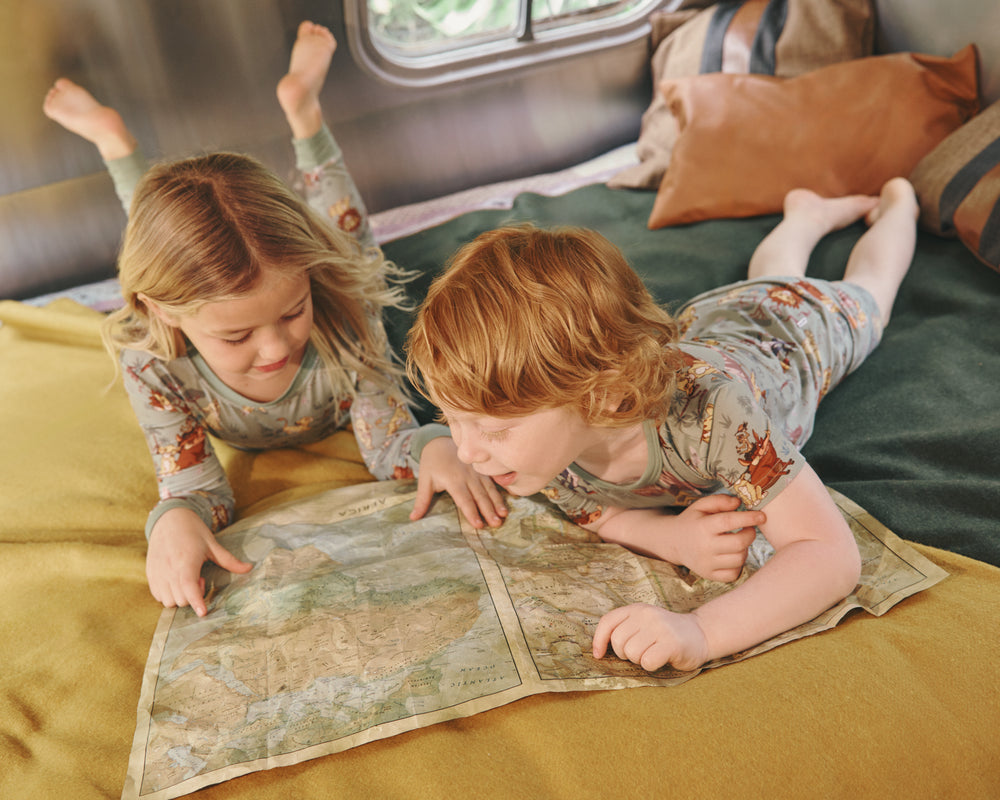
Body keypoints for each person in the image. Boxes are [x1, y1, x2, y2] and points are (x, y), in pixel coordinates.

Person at [43, 21, 507, 617]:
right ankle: (114, 143)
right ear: (165, 315)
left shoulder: (341, 313)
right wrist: (174, 518)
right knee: (161, 237)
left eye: (292, 312)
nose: (275, 348)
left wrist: (433, 445)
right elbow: (193, 486)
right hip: (183, 292)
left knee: (348, 235)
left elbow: (389, 440)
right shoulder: (151, 364)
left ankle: (305, 113)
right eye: (236, 334)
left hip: (336, 276)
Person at [406, 178, 919, 672]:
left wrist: (702, 631)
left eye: (494, 430)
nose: (467, 452)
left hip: (793, 333)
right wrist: (672, 539)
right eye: (451, 420)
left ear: (603, 396)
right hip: (712, 318)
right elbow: (599, 513)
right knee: (762, 280)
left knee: (871, 292)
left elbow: (829, 554)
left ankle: (901, 207)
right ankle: (804, 217)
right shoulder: (543, 456)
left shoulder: (716, 415)